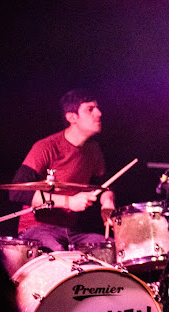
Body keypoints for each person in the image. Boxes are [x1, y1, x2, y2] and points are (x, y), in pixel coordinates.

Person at [9, 89, 115, 252]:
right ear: (71, 117)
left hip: (71, 232)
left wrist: (107, 203)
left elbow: (102, 186)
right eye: (90, 109)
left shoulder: (93, 150)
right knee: (60, 255)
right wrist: (69, 202)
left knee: (112, 248)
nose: (99, 113)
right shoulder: (46, 147)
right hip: (36, 229)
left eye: (97, 108)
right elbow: (18, 192)